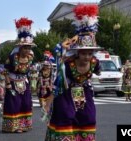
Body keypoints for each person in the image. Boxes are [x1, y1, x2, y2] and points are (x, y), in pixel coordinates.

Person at [44, 4, 101, 140]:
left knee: (88, 116)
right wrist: (48, 102)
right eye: (84, 53)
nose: (87, 57)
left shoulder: (94, 63)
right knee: (65, 114)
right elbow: (58, 84)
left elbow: (98, 71)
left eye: (90, 53)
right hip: (66, 93)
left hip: (84, 92)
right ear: (77, 53)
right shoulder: (68, 66)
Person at [2, 17, 35, 133]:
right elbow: (4, 71)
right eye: (25, 47)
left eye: (29, 47)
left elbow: (28, 71)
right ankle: (13, 126)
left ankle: (24, 124)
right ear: (20, 48)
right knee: (14, 104)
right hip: (13, 83)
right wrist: (7, 84)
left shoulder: (30, 58)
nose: (27, 50)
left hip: (24, 84)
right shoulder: (12, 58)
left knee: (26, 103)